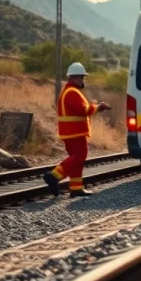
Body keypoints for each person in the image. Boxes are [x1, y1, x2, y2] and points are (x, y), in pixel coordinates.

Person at [43, 62, 111, 198]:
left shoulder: (72, 91)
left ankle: (76, 188)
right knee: (80, 156)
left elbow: (81, 109)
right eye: (80, 77)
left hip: (72, 132)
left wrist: (96, 106)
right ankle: (54, 175)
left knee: (77, 160)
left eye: (82, 77)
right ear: (72, 78)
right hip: (74, 132)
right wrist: (98, 107)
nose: (82, 80)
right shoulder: (72, 92)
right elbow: (83, 110)